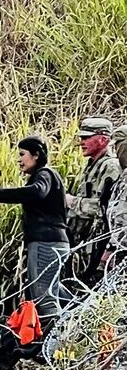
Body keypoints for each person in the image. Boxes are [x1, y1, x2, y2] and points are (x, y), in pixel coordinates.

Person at [0, 136, 68, 320]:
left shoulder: (44, 174)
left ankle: (56, 344)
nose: (19, 159)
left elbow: (36, 192)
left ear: (36, 155)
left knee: (45, 299)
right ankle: (88, 314)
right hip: (55, 242)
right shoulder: (46, 175)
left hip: (45, 244)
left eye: (22, 154)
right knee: (56, 291)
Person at [66, 117, 121, 283]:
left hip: (99, 245)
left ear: (104, 139)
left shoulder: (111, 166)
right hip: (85, 245)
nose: (81, 142)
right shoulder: (92, 165)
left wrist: (72, 202)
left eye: (86, 137)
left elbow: (108, 208)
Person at [103, 125, 127, 267]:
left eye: (118, 145)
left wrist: (112, 247)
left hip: (122, 248)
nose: (116, 152)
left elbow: (122, 215)